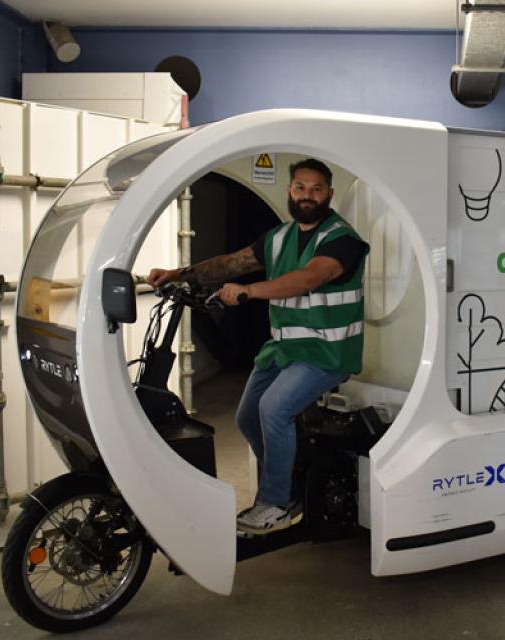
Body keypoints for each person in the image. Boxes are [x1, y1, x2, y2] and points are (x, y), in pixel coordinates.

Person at [148, 158, 369, 534]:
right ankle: (291, 490)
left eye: (316, 189)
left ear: (329, 194)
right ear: (290, 191)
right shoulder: (279, 237)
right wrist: (180, 274)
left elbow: (307, 279)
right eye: (300, 187)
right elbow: (233, 263)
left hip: (327, 352)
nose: (307, 195)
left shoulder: (342, 240)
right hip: (285, 348)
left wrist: (249, 291)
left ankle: (276, 503)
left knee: (274, 409)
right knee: (248, 416)